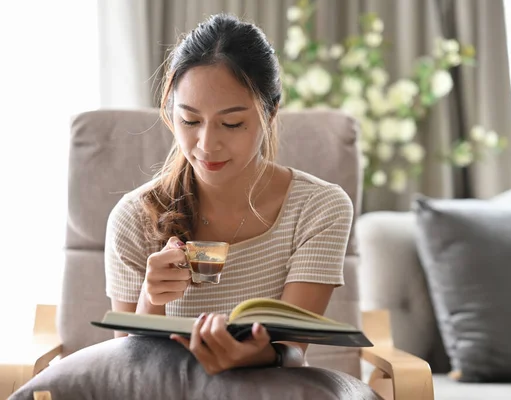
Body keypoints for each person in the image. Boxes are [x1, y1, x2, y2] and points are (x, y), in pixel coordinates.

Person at [104, 13, 353, 375]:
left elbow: (292, 350)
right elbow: (127, 373)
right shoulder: (134, 216)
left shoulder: (318, 209)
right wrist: (151, 298)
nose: (206, 145)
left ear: (270, 114)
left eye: (232, 123)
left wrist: (261, 354)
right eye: (190, 121)